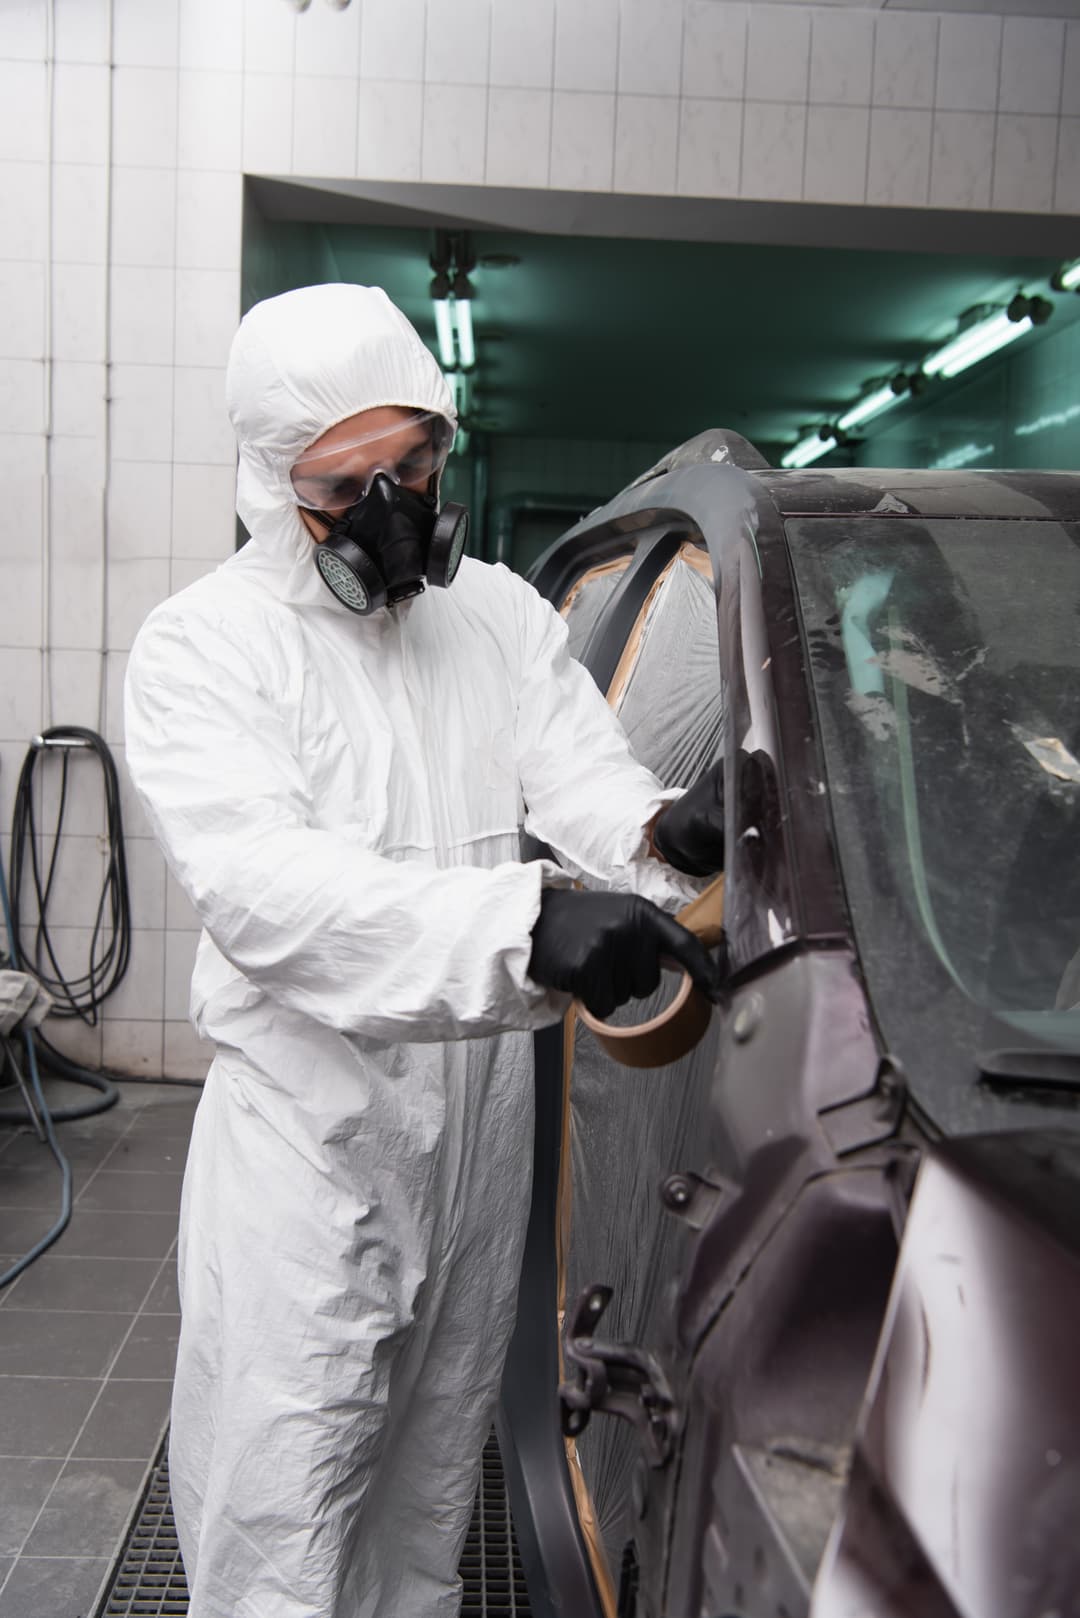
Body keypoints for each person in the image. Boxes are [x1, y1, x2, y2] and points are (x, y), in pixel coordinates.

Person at [124, 283, 725, 1618]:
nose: (397, 505)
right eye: (354, 480)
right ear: (275, 480)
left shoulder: (497, 618)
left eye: (418, 464)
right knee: (282, 1517)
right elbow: (270, 893)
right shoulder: (205, 650)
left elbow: (582, 779)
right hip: (309, 1153)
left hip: (475, 1148)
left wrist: (662, 833)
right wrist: (524, 923)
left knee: (425, 1508)